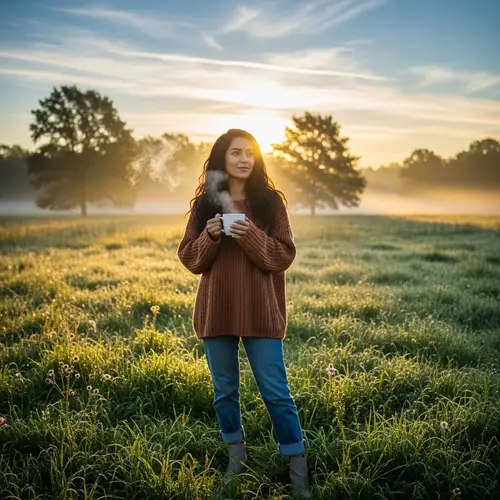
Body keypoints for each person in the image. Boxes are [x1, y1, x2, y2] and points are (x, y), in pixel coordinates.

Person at [177, 129, 310, 498]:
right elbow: (189, 258)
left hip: (260, 311)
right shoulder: (206, 204)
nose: (244, 159)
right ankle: (237, 456)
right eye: (236, 152)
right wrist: (211, 236)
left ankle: (297, 462)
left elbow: (283, 255)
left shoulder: (270, 204)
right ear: (222, 158)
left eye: (250, 153)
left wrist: (249, 233)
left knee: (275, 390)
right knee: (224, 392)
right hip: (216, 309)